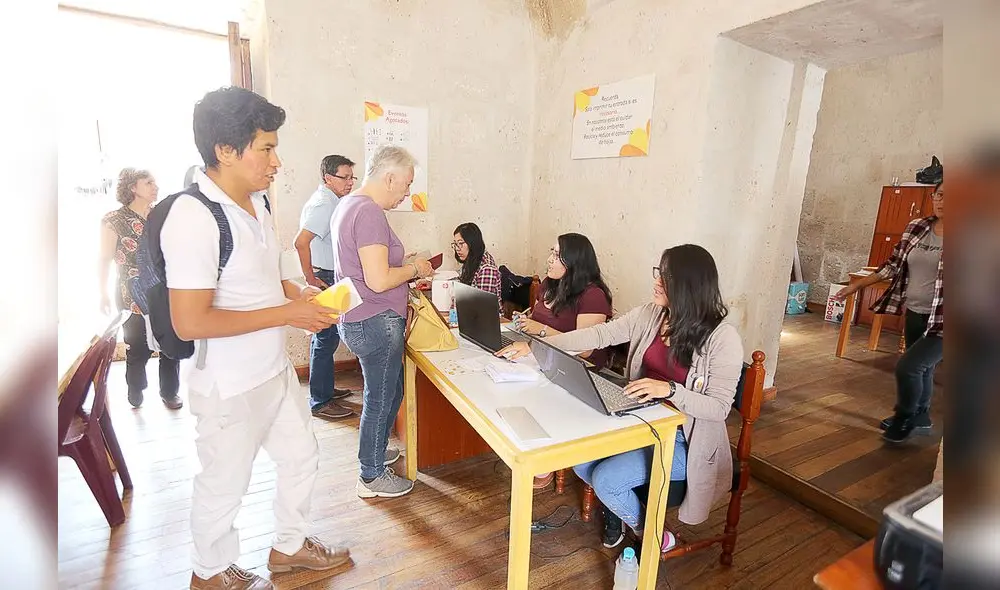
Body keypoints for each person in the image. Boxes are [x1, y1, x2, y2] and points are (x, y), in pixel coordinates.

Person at [162, 87, 350, 590]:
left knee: (301, 456)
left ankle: (288, 548)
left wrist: (302, 294)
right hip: (228, 383)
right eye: (266, 148)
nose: (277, 161)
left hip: (272, 370)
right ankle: (210, 572)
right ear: (225, 150)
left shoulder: (258, 202)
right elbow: (190, 321)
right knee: (224, 484)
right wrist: (288, 312)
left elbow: (270, 272)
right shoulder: (194, 216)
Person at [497, 244, 743, 553]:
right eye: (658, 273)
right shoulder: (652, 314)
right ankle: (644, 525)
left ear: (689, 285)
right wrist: (538, 347)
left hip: (686, 440)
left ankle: (652, 537)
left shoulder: (723, 338)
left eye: (665, 277)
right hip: (640, 419)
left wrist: (670, 390)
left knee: (607, 480)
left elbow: (719, 407)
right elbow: (599, 335)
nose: (656, 281)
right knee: (581, 461)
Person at [332, 145, 434, 499]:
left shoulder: (348, 204)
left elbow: (366, 267)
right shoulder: (369, 212)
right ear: (389, 177)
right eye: (406, 184)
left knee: (389, 391)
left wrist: (401, 264)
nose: (407, 193)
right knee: (381, 396)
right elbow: (377, 280)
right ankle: (371, 475)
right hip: (375, 318)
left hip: (360, 317)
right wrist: (415, 269)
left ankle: (373, 451)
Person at [835, 181, 944, 444]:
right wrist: (857, 285)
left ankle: (904, 416)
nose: (945, 201)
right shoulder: (917, 227)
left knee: (909, 367)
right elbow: (892, 266)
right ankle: (921, 415)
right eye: (941, 195)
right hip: (917, 311)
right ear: (933, 196)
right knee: (924, 369)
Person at [510, 233, 612, 489]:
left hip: (579, 370)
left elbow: (586, 350)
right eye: (551, 253)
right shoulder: (548, 284)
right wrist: (525, 324)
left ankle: (545, 457)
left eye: (557, 256)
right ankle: (525, 446)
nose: (549, 260)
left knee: (530, 390)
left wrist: (539, 331)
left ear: (574, 261)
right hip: (545, 358)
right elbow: (536, 319)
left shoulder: (593, 295)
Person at [99, 167, 182, 410]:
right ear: (132, 188)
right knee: (138, 347)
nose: (155, 186)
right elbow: (103, 259)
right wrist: (102, 292)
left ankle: (170, 392)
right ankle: (135, 389)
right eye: (148, 182)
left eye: (155, 181)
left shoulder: (162, 215)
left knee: (170, 344)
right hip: (131, 292)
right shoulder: (113, 220)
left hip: (164, 290)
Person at [293, 155, 358, 420]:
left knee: (327, 338)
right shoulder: (323, 205)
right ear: (328, 178)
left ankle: (325, 390)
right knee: (325, 339)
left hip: (332, 275)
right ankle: (320, 401)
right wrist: (310, 278)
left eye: (352, 177)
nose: (350, 183)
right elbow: (300, 242)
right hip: (325, 276)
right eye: (345, 177)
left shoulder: (332, 201)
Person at [452, 222, 501, 307]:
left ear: (473, 243)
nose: (457, 248)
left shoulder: (487, 269)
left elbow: (482, 306)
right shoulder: (471, 260)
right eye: (455, 244)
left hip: (486, 318)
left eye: (461, 243)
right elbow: (460, 280)